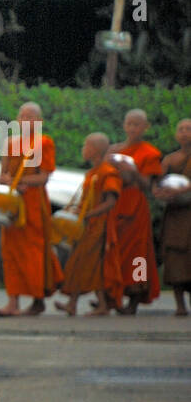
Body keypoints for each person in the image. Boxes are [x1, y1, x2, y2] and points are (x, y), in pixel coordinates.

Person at [0, 103, 62, 317]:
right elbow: (2, 175)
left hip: (33, 204)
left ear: (39, 122)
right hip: (13, 206)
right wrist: (8, 181)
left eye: (30, 117)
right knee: (10, 251)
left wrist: (20, 180)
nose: (25, 120)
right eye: (22, 116)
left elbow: (43, 177)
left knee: (34, 251)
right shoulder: (10, 143)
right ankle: (12, 301)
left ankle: (37, 300)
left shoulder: (44, 143)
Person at [56, 134, 123, 316]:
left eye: (85, 146)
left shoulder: (108, 172)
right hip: (86, 227)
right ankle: (72, 304)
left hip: (99, 227)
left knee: (92, 267)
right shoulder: (91, 173)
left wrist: (88, 214)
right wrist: (77, 210)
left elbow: (110, 202)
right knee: (78, 263)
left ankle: (102, 305)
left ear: (95, 150)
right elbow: (88, 200)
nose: (83, 149)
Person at [108, 109, 164, 313]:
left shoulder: (149, 153)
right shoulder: (114, 150)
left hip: (136, 207)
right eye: (129, 124)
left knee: (137, 255)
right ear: (124, 125)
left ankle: (134, 298)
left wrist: (132, 172)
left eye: (137, 124)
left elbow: (147, 185)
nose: (132, 128)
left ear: (145, 127)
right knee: (113, 250)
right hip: (115, 204)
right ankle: (111, 295)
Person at [154, 118, 191, 315]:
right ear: (176, 135)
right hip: (175, 215)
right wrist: (161, 193)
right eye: (181, 129)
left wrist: (186, 188)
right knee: (175, 258)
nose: (185, 133)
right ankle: (180, 306)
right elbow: (158, 184)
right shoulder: (169, 159)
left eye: (189, 129)